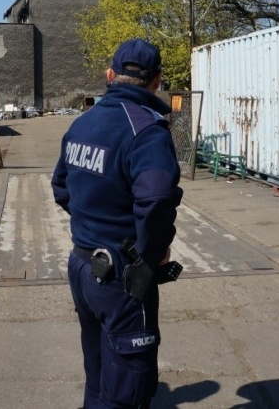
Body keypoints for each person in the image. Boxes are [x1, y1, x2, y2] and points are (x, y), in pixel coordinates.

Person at [51, 38, 183, 408]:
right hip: (121, 274)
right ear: (157, 81)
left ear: (109, 75)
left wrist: (92, 224)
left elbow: (61, 187)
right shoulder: (147, 130)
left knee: (98, 372)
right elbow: (156, 198)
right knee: (127, 388)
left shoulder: (83, 122)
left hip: (83, 263)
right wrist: (149, 254)